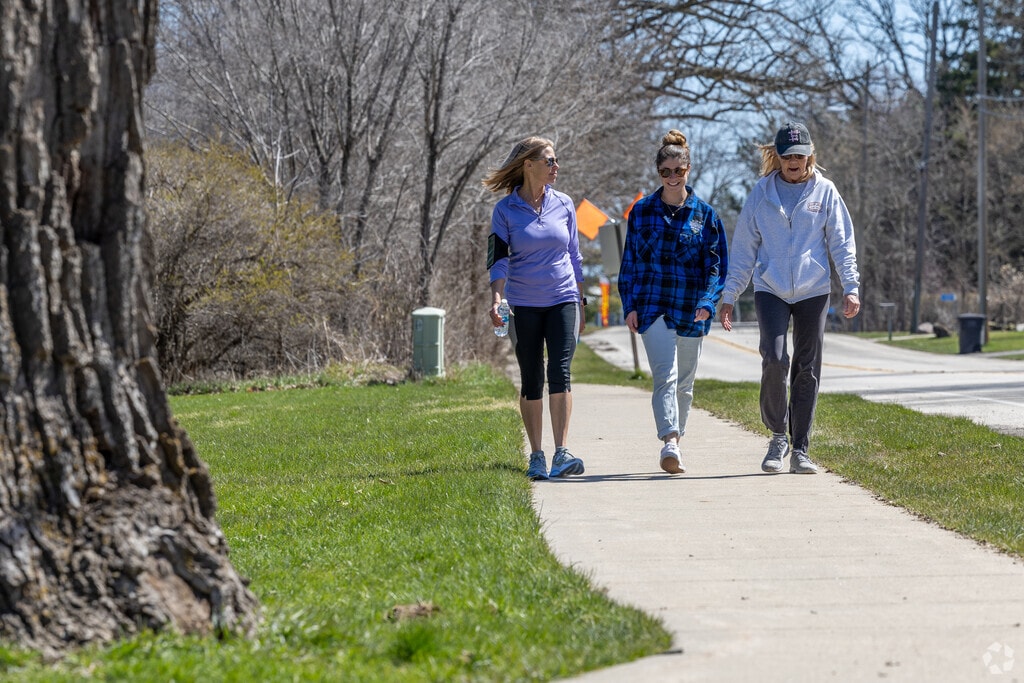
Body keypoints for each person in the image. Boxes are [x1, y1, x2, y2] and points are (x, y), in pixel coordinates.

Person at [719, 121, 861, 474]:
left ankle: (801, 449)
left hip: (814, 289)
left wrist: (851, 285)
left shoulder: (825, 192)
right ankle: (777, 436)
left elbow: (841, 242)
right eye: (787, 156)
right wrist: (729, 295)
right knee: (775, 357)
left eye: (800, 155)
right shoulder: (762, 194)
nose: (794, 161)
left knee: (807, 368)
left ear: (810, 156)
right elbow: (744, 249)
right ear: (778, 158)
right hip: (771, 287)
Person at [618, 130, 728, 474]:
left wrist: (709, 302)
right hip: (653, 307)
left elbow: (716, 265)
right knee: (664, 376)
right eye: (665, 171)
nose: (671, 177)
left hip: (692, 309)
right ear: (658, 173)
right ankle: (670, 442)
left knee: (685, 383)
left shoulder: (705, 215)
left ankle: (676, 437)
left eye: (677, 171)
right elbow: (630, 263)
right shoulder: (641, 211)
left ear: (688, 170)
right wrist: (630, 305)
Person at [483, 136, 586, 480]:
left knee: (560, 372)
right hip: (523, 304)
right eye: (550, 161)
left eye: (556, 161)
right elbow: (498, 260)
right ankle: (537, 456)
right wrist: (497, 298)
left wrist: (580, 300)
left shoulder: (565, 204)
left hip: (563, 298)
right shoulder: (505, 210)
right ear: (529, 165)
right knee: (532, 377)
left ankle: (562, 453)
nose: (556, 167)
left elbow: (574, 255)